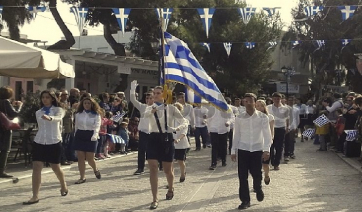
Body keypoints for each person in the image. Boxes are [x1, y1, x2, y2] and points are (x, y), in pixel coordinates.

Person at [144, 86, 188, 210]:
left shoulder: (171, 108)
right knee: (153, 168)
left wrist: (175, 129)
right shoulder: (150, 108)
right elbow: (145, 115)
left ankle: (170, 187)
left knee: (167, 170)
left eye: (158, 93)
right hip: (153, 138)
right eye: (154, 93)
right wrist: (153, 110)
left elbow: (184, 122)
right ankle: (155, 199)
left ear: (164, 95)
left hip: (166, 139)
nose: (156, 95)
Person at [23, 90, 67, 205]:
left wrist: (50, 118)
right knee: (37, 167)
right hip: (40, 141)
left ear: (52, 98)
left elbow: (59, 118)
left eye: (47, 97)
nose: (45, 99)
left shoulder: (59, 110)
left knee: (55, 167)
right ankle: (35, 196)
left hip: (54, 141)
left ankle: (63, 184)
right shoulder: (38, 112)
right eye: (43, 97)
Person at [231, 93, 272, 210]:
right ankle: (245, 200)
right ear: (244, 103)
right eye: (246, 101)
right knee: (242, 176)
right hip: (243, 149)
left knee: (256, 174)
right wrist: (233, 150)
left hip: (257, 149)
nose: (248, 103)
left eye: (250, 101)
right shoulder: (239, 118)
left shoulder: (263, 117)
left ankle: (258, 188)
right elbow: (236, 135)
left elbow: (267, 135)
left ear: (255, 102)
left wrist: (266, 150)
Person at [73, 97, 102, 184]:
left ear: (92, 104)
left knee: (90, 159)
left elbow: (97, 126)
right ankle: (82, 177)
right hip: (80, 135)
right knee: (80, 158)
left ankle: (95, 169)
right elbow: (76, 126)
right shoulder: (78, 114)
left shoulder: (96, 115)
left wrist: (95, 135)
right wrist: (75, 135)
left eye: (88, 103)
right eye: (85, 103)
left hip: (91, 135)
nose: (86, 105)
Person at [130, 80, 154, 175]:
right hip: (144, 132)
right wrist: (132, 89)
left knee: (153, 150)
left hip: (153, 132)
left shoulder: (158, 107)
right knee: (141, 150)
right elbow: (133, 100)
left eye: (150, 98)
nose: (148, 100)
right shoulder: (142, 107)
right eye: (147, 98)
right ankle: (140, 168)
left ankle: (157, 165)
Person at [0, 86, 22, 178]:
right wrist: (20, 106)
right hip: (5, 129)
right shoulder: (5, 102)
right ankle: (1, 171)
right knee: (5, 150)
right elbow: (14, 114)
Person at [207, 101, 235, 170]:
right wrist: (209, 129)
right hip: (214, 129)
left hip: (223, 129)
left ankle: (223, 160)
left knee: (223, 146)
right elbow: (208, 119)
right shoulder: (212, 108)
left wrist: (228, 122)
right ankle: (213, 163)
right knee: (214, 146)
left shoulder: (227, 107)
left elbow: (232, 117)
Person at [266, 92, 289, 170]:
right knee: (270, 146)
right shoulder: (268, 107)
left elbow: (287, 118)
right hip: (270, 128)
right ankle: (271, 161)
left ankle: (277, 163)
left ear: (281, 99)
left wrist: (287, 127)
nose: (276, 100)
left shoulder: (285, 108)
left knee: (279, 147)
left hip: (281, 128)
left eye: (278, 99)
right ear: (272, 99)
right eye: (275, 99)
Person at [256, 100, 274, 185]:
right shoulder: (252, 117)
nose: (259, 108)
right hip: (256, 143)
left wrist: (270, 141)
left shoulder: (270, 117)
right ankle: (257, 183)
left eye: (261, 106)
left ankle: (266, 175)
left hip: (265, 142)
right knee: (256, 165)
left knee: (265, 164)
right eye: (257, 106)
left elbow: (271, 130)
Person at [173, 103, 190, 183]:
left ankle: (183, 173)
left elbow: (184, 132)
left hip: (181, 143)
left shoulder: (185, 121)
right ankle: (170, 179)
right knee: (170, 162)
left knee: (180, 161)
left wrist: (178, 139)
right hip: (171, 143)